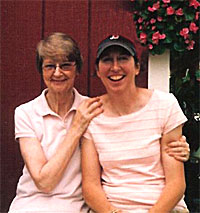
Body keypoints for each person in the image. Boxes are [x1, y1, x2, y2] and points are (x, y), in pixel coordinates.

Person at [9, 32, 189, 213]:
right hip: (33, 203)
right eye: (49, 66)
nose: (57, 73)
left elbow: (174, 179)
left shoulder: (92, 108)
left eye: (65, 65)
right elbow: (47, 182)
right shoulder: (31, 113)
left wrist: (181, 147)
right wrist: (77, 127)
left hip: (77, 205)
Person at [81, 35, 190, 213]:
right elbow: (90, 186)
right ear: (98, 71)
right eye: (107, 60)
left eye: (123, 59)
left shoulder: (165, 105)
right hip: (112, 208)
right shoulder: (91, 113)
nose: (115, 67)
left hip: (164, 207)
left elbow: (176, 183)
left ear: (137, 67)